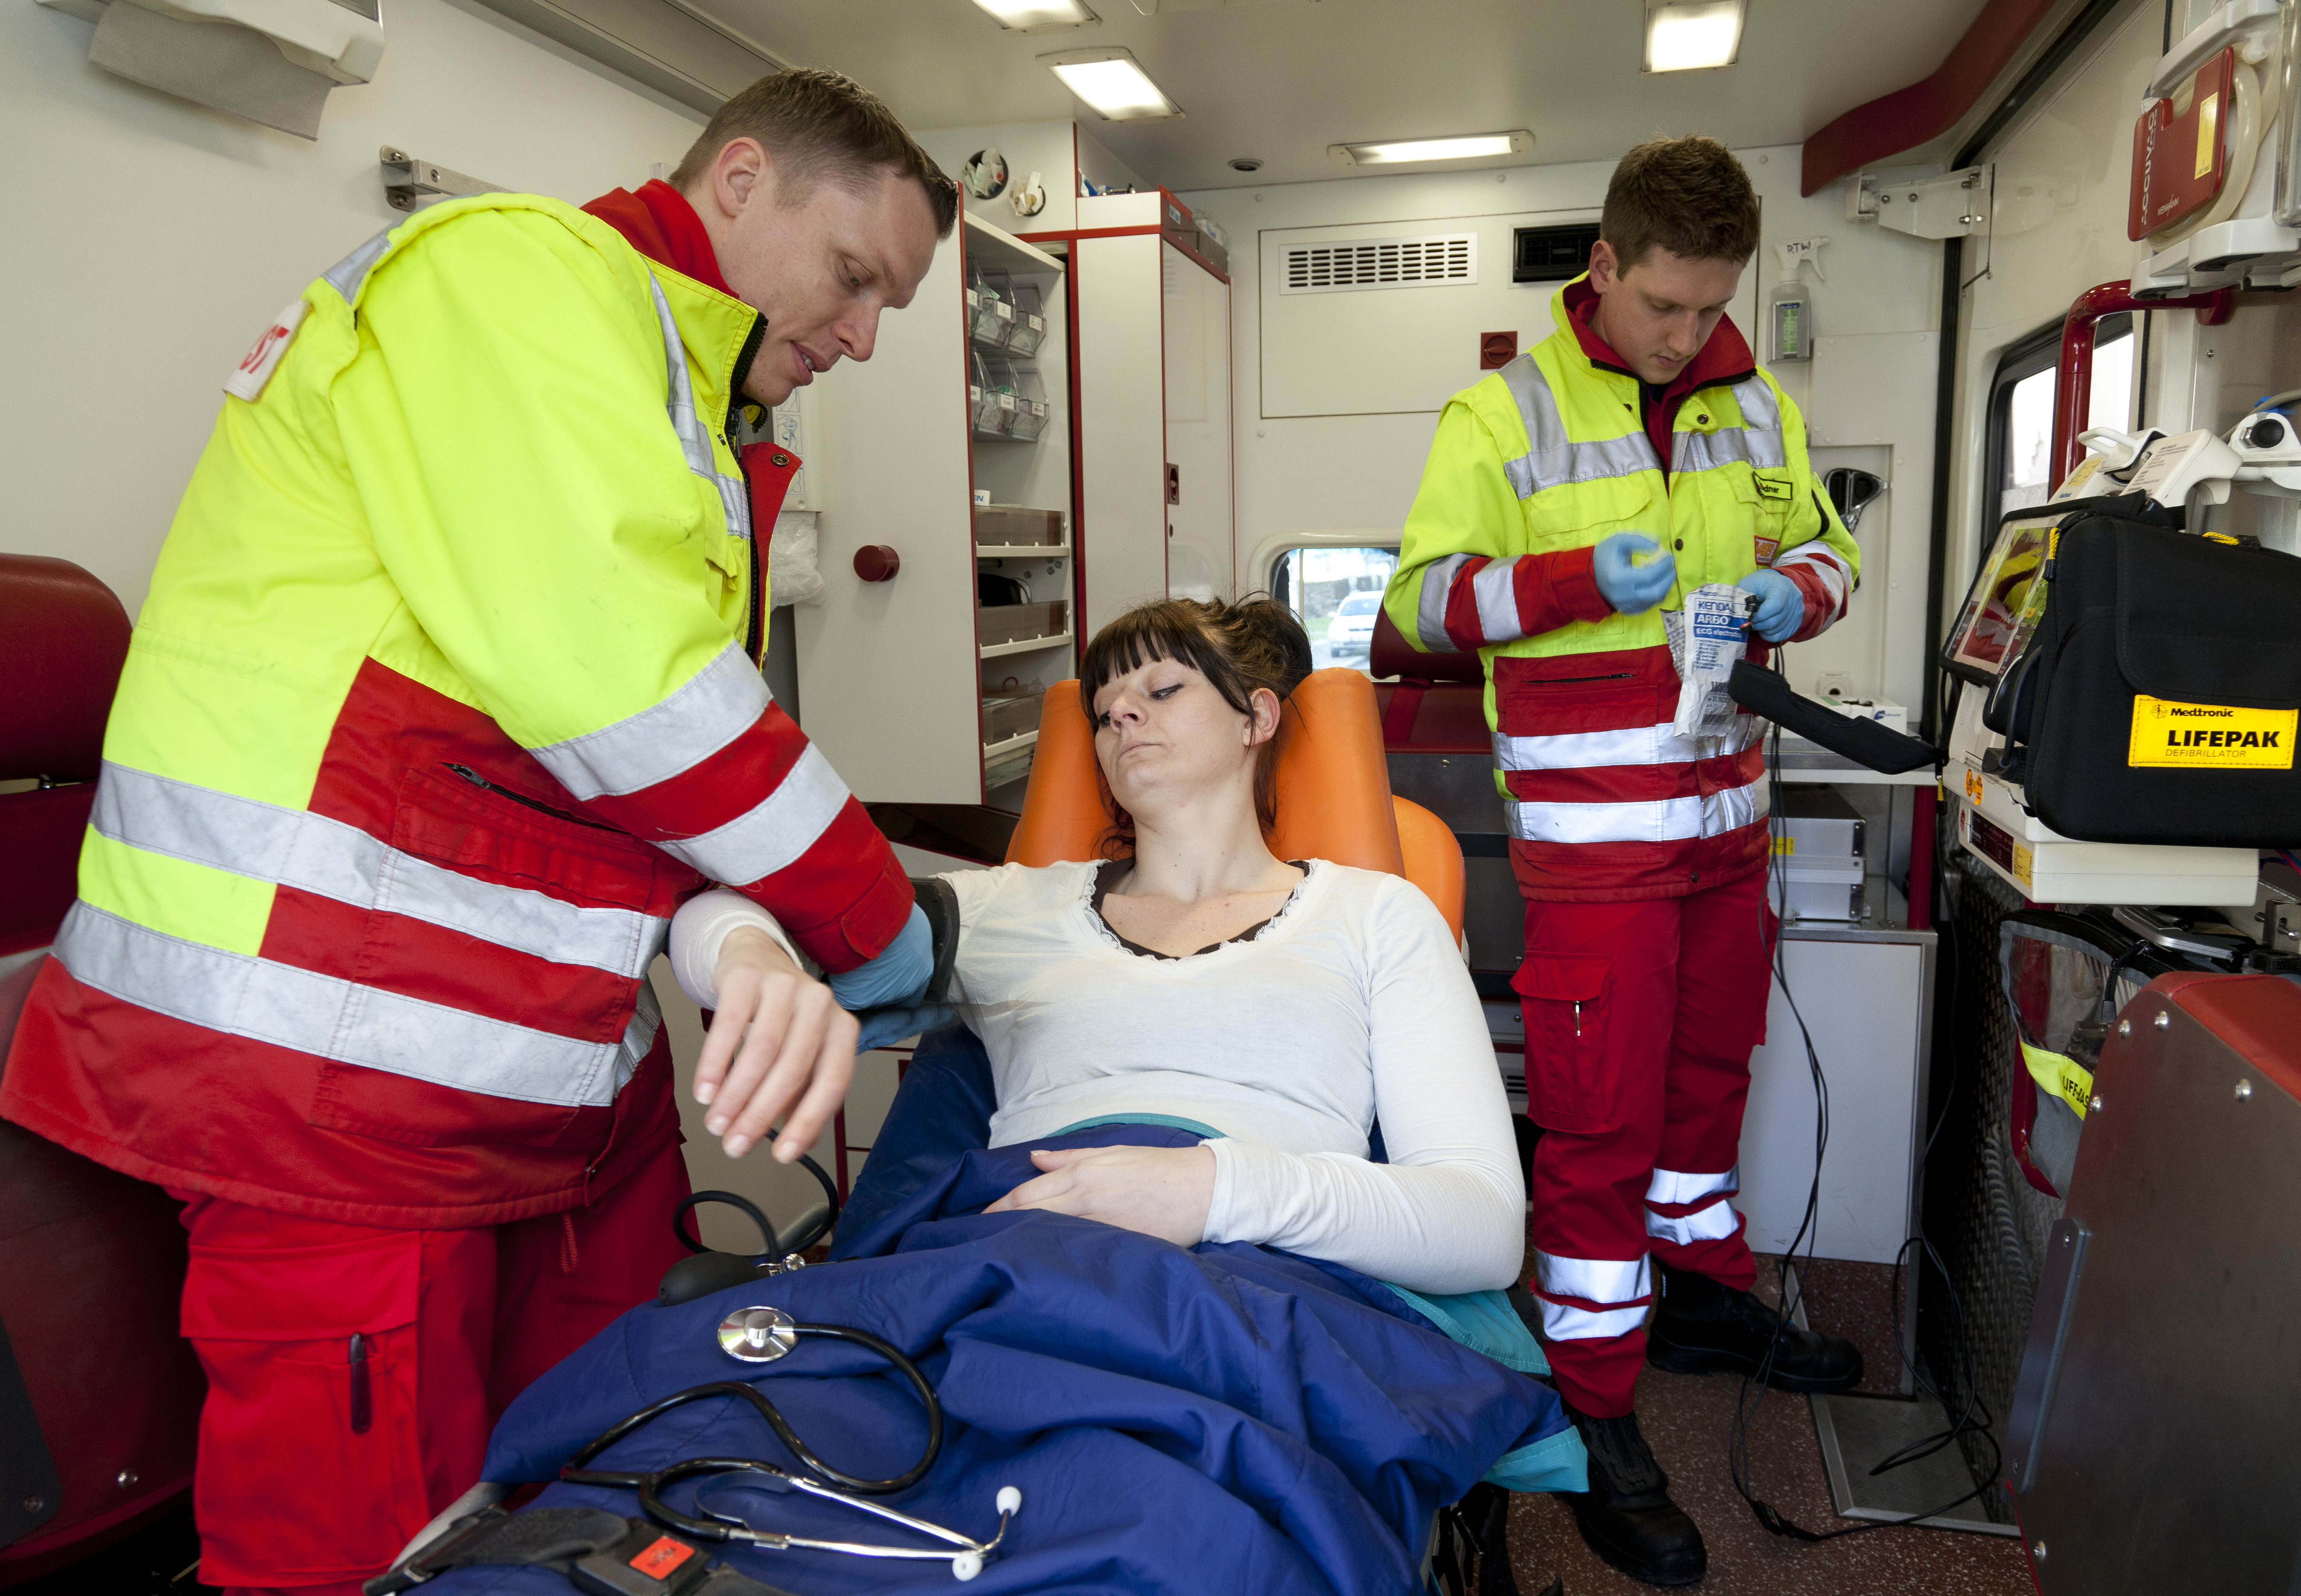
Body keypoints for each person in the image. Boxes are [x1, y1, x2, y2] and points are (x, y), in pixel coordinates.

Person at [0, 69, 953, 1596]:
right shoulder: (511, 282)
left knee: (615, 1473)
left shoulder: (681, 408)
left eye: (885, 309)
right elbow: (630, 691)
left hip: (529, 1059)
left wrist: (735, 926)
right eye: (853, 278)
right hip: (329, 1068)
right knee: (370, 1550)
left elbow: (592, 765)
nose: (859, 334)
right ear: (741, 180)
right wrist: (874, 926)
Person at [1383, 135, 1867, 1586]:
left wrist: (1794, 590)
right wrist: (1570, 580)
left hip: (1725, 842)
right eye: (1663, 305)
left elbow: (1831, 547)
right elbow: (1418, 605)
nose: (1685, 334)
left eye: (1709, 305)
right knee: (1596, 1129)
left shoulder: (1751, 396)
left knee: (1707, 1089)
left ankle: (1699, 1290)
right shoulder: (1498, 413)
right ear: (1602, 267)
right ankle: (1593, 1407)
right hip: (1596, 858)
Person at [670, 596, 1526, 1298]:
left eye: (1162, 690)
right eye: (1106, 706)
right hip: (1007, 1273)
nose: (1122, 712)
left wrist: (1209, 1188)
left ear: (1256, 718)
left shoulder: (1378, 914)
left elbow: (1484, 1230)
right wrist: (752, 953)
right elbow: (714, 913)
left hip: (1258, 1291)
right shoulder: (1009, 910)